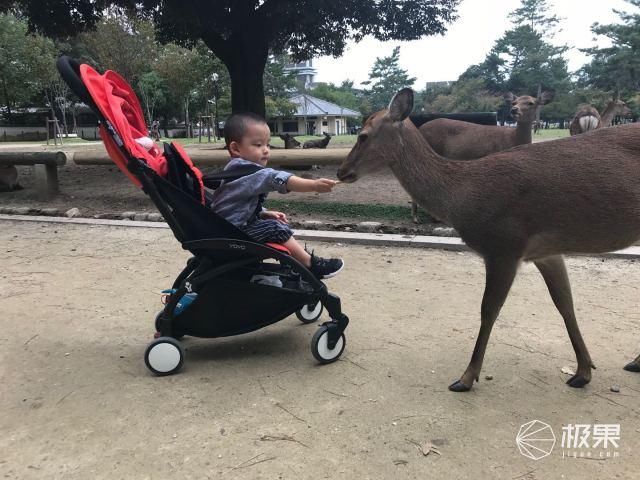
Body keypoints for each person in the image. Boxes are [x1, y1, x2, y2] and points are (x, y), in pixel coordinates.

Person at [211, 112, 344, 279]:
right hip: (234, 234)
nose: (266, 150)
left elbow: (235, 203)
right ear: (236, 148)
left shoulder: (234, 170)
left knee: (272, 222)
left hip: (224, 229)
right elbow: (279, 178)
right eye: (258, 145)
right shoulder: (250, 171)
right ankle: (309, 264)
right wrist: (314, 185)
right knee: (275, 228)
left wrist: (263, 212)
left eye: (268, 144)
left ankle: (294, 261)